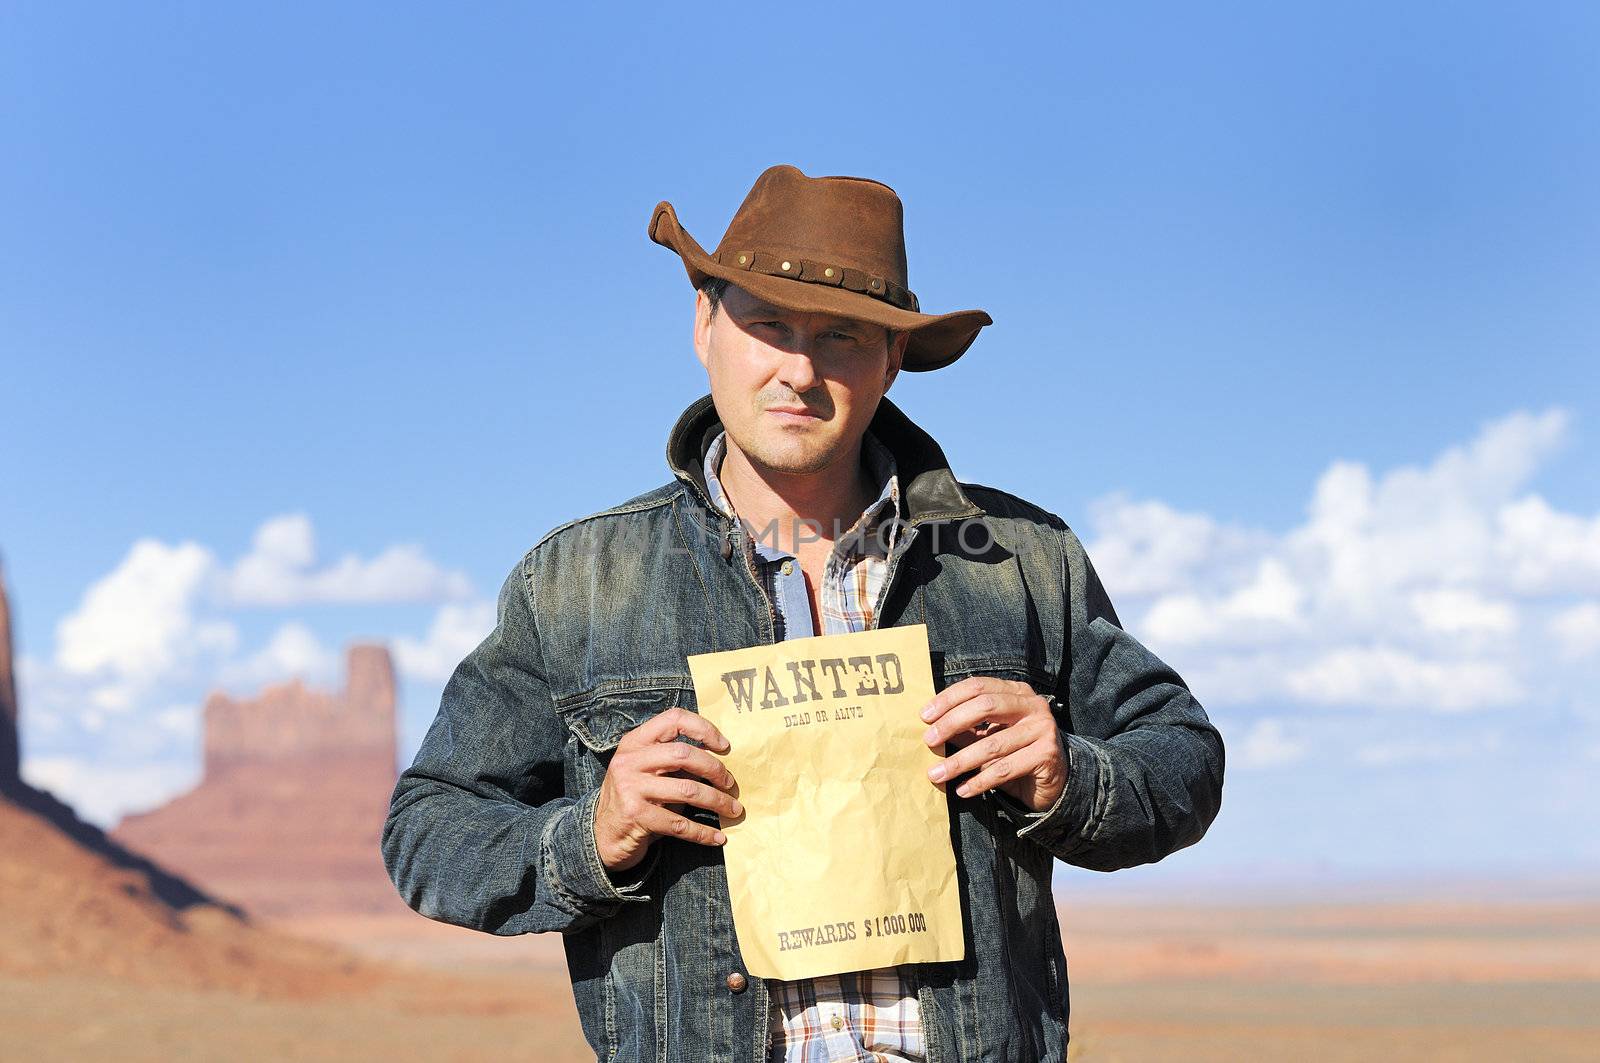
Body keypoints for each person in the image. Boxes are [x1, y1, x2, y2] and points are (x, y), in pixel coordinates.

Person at [382, 164, 1225, 1063]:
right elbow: (429, 828)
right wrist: (594, 834)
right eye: (768, 325)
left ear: (893, 358)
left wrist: (1069, 777)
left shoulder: (1019, 558)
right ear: (704, 323)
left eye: (843, 336)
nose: (800, 370)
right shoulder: (579, 581)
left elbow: (1183, 756)